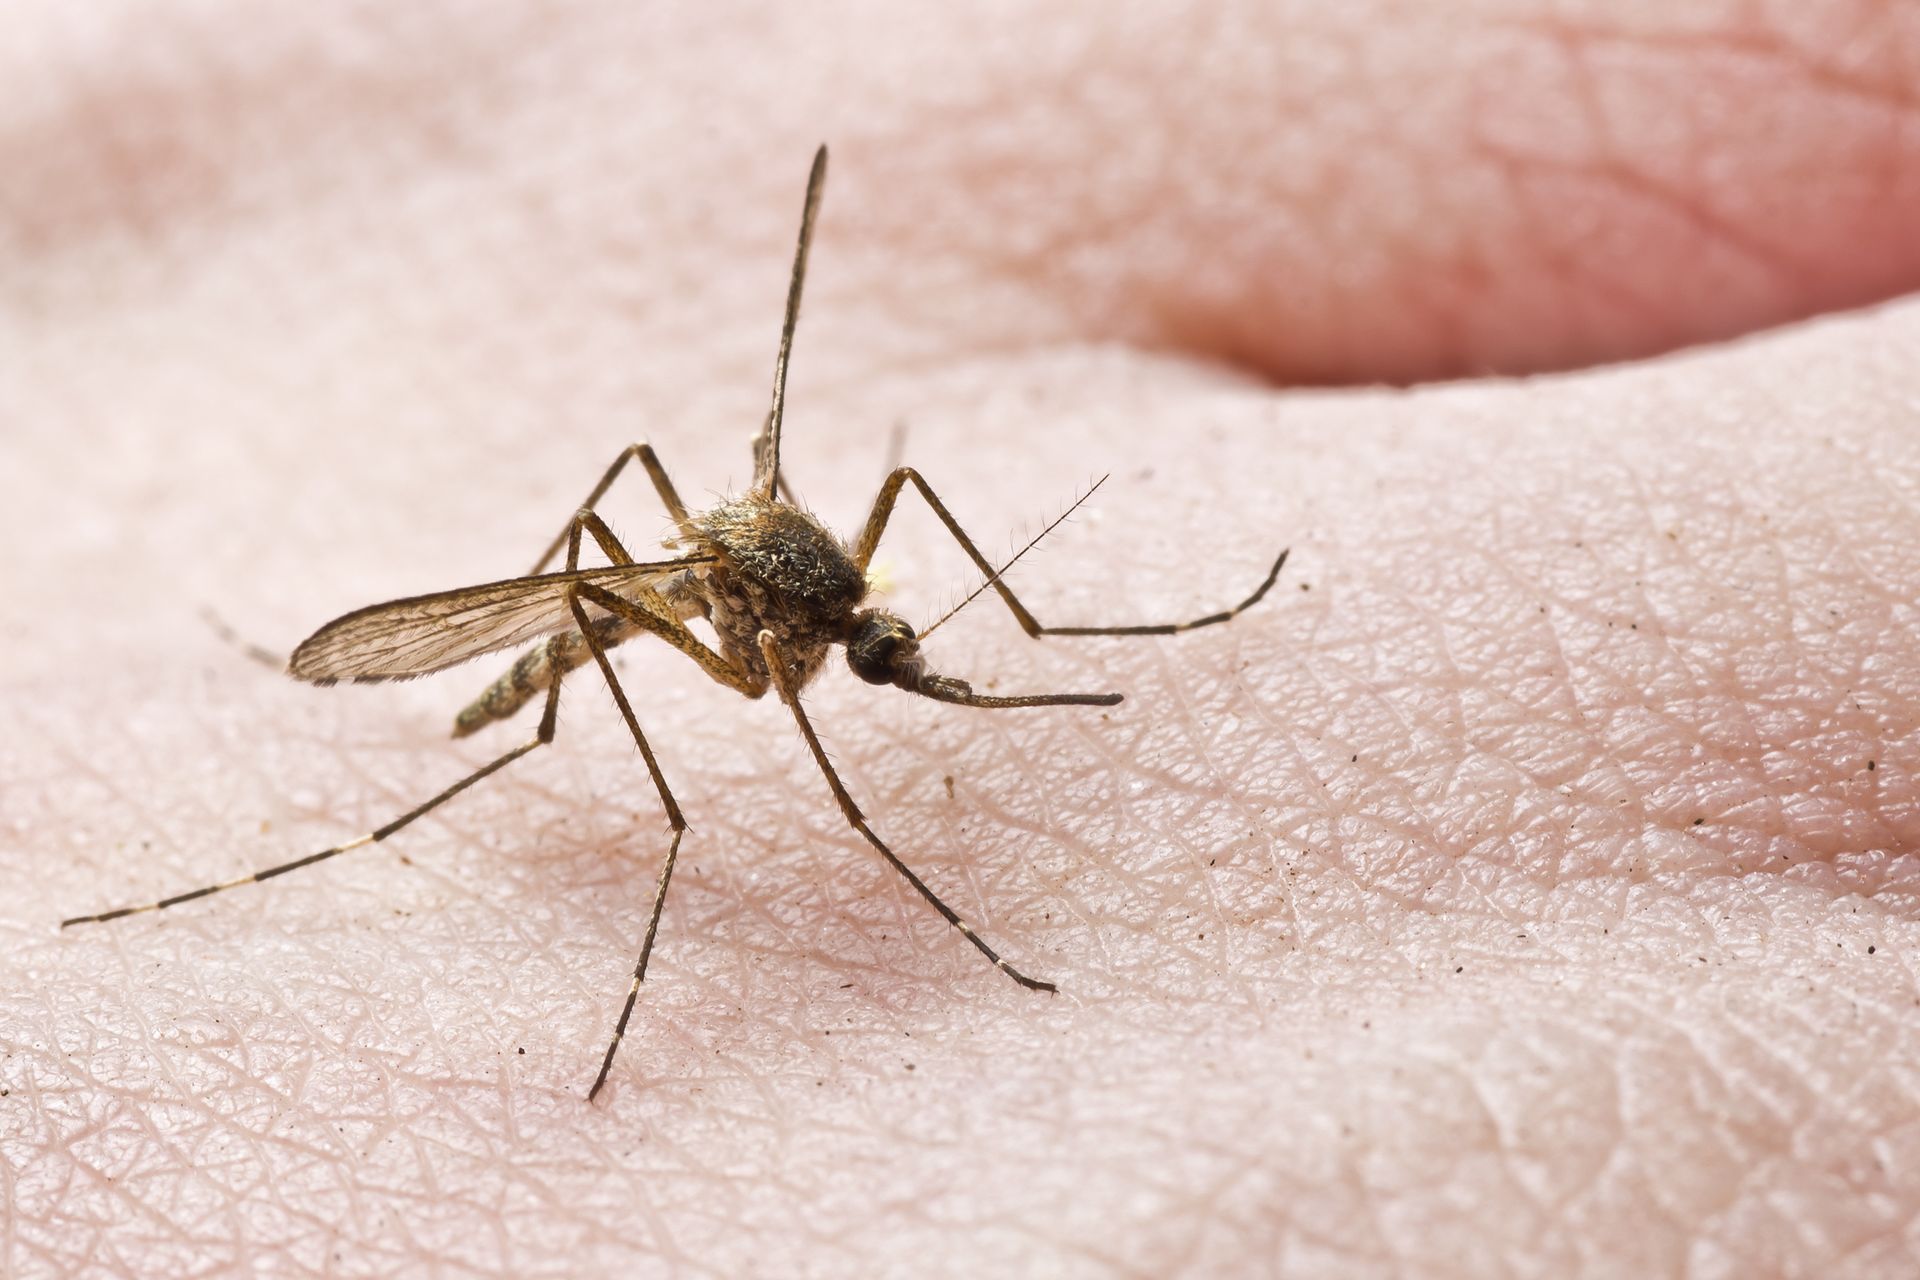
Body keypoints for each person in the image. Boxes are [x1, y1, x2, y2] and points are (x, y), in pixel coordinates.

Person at [10, 3, 1920, 1274]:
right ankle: (435, 786)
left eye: (885, 644)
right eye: (887, 656)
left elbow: (859, 530)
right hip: (612, 609)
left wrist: (1041, 633)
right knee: (601, 606)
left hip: (719, 576)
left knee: (791, 504)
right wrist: (709, 745)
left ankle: (997, 619)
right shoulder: (773, 624)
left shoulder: (848, 578)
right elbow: (714, 585)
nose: (894, 662)